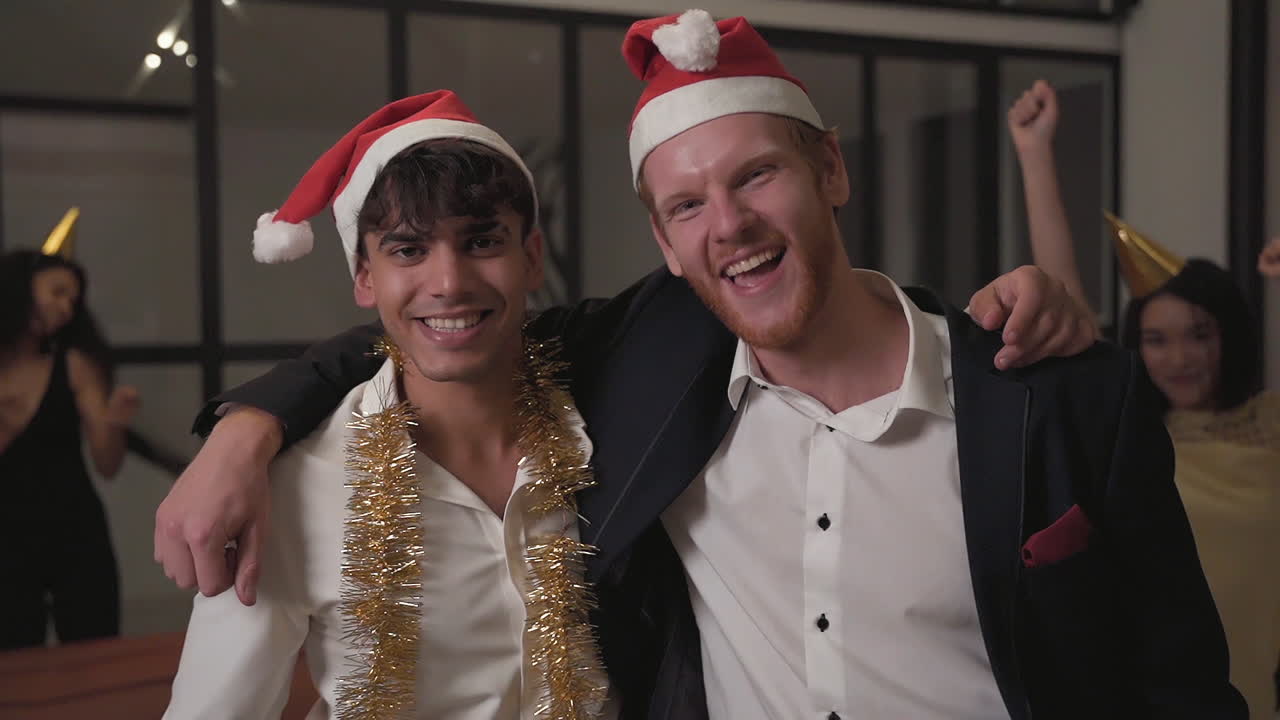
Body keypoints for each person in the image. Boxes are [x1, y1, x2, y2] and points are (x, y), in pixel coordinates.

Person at [156, 11, 1239, 719]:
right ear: (664, 249)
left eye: (756, 176)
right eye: (684, 205)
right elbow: (445, 331)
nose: (728, 226)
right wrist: (251, 424)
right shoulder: (647, 364)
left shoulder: (1048, 391)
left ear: (828, 170)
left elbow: (1182, 686)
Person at [165, 92, 612, 718]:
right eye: (408, 250)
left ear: (531, 257)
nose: (450, 282)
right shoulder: (288, 484)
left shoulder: (616, 422)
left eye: (482, 241)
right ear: (364, 276)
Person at [1010, 78, 1279, 719]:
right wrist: (1035, 152)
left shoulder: (1271, 423)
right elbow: (1064, 296)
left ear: (1230, 337)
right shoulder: (1124, 436)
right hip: (1153, 690)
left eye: (1199, 335)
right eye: (1157, 340)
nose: (1179, 357)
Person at [0, 211, 140, 650]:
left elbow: (107, 464)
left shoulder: (75, 366)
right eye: (57, 293)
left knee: (94, 652)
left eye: (73, 300)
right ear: (19, 291)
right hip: (6, 539)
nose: (66, 307)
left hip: (75, 533)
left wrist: (114, 423)